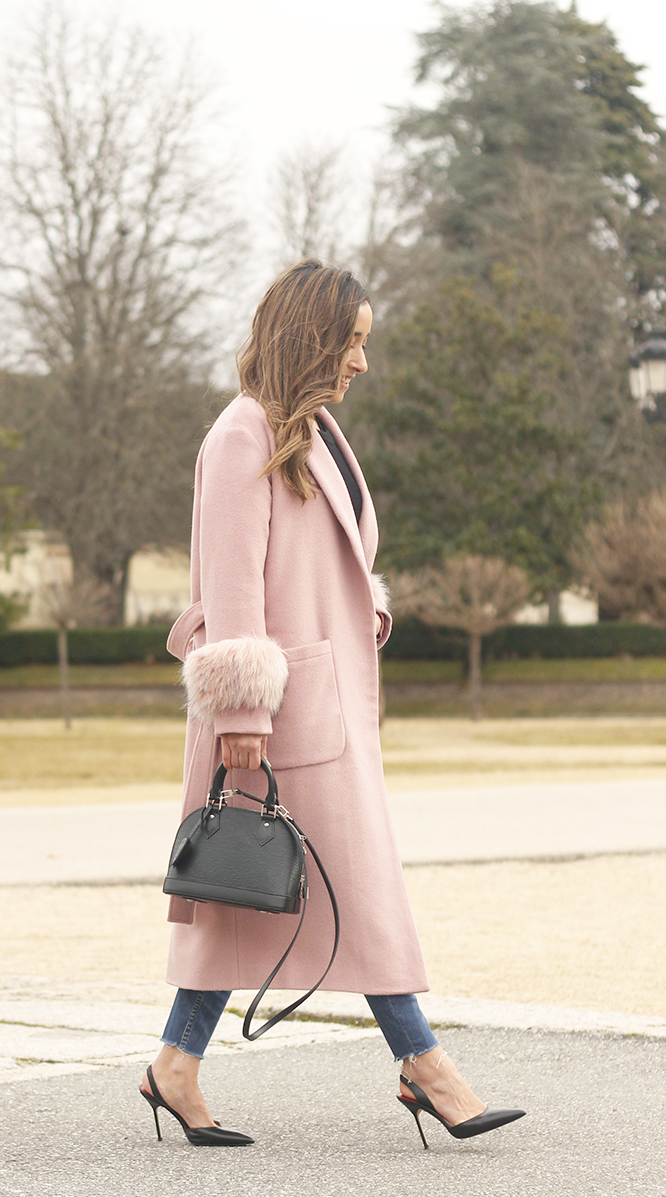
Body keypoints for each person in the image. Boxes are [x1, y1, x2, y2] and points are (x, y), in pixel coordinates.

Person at [139, 261, 525, 1149]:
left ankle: (176, 1064)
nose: (362, 363)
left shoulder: (315, 434)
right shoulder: (242, 435)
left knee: (249, 891)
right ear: (312, 337)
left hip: (322, 703)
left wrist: (370, 606)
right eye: (352, 343)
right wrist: (240, 719)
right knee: (335, 888)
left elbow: (327, 563)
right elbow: (232, 585)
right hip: (275, 716)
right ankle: (425, 1065)